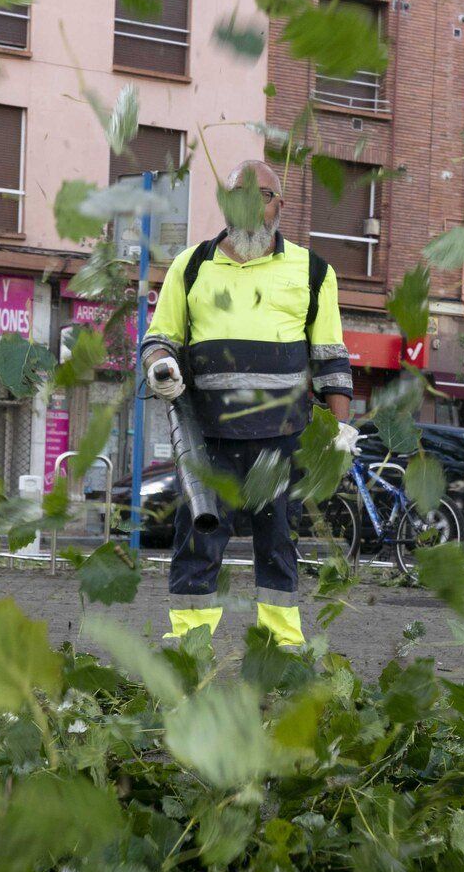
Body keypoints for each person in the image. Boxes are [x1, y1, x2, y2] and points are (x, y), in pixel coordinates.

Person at [139, 160, 359, 647]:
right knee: (197, 542)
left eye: (265, 194)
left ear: (279, 206)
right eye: (242, 193)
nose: (254, 205)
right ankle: (189, 649)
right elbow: (159, 339)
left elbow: (330, 358)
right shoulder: (190, 266)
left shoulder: (314, 271)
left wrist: (342, 434)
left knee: (278, 546)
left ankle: (281, 649)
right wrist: (159, 365)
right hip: (206, 441)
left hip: (282, 443)